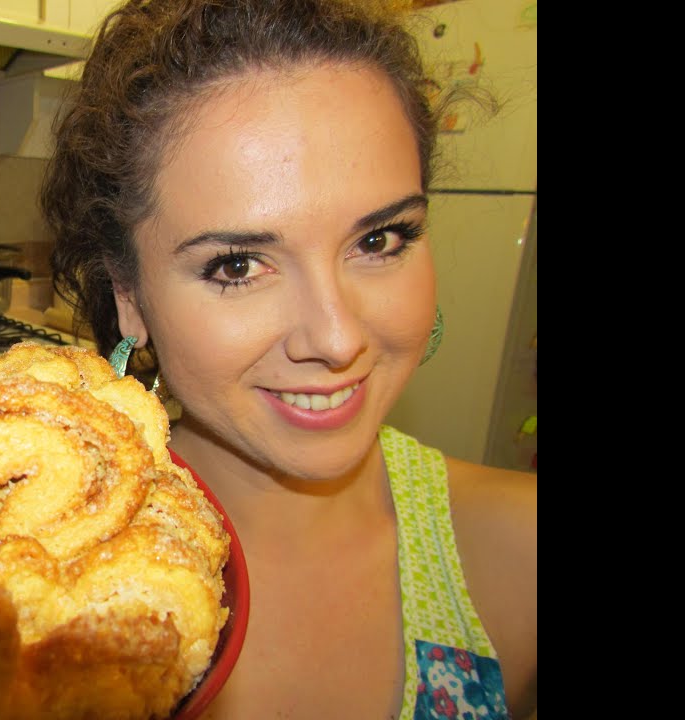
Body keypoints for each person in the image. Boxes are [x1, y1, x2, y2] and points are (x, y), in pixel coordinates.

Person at [40, 0, 537, 717]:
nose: (337, 339)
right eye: (239, 265)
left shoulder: (519, 554)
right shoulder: (25, 585)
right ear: (129, 296)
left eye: (379, 241)